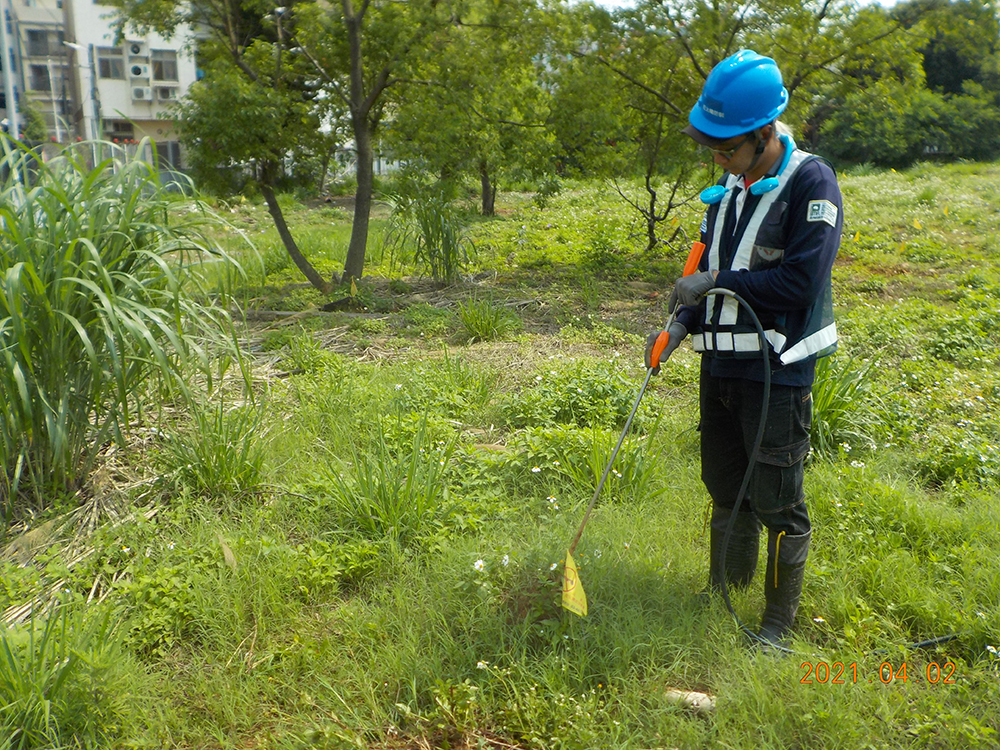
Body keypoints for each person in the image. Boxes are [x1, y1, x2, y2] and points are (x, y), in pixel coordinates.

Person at [644, 49, 842, 647]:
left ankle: (776, 626)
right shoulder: (732, 184)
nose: (719, 159)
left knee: (777, 499)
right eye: (713, 149)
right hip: (721, 363)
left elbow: (800, 283)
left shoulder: (812, 182)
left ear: (764, 133)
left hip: (777, 369)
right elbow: (708, 262)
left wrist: (716, 282)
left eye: (727, 148)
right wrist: (681, 324)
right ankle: (723, 591)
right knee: (726, 486)